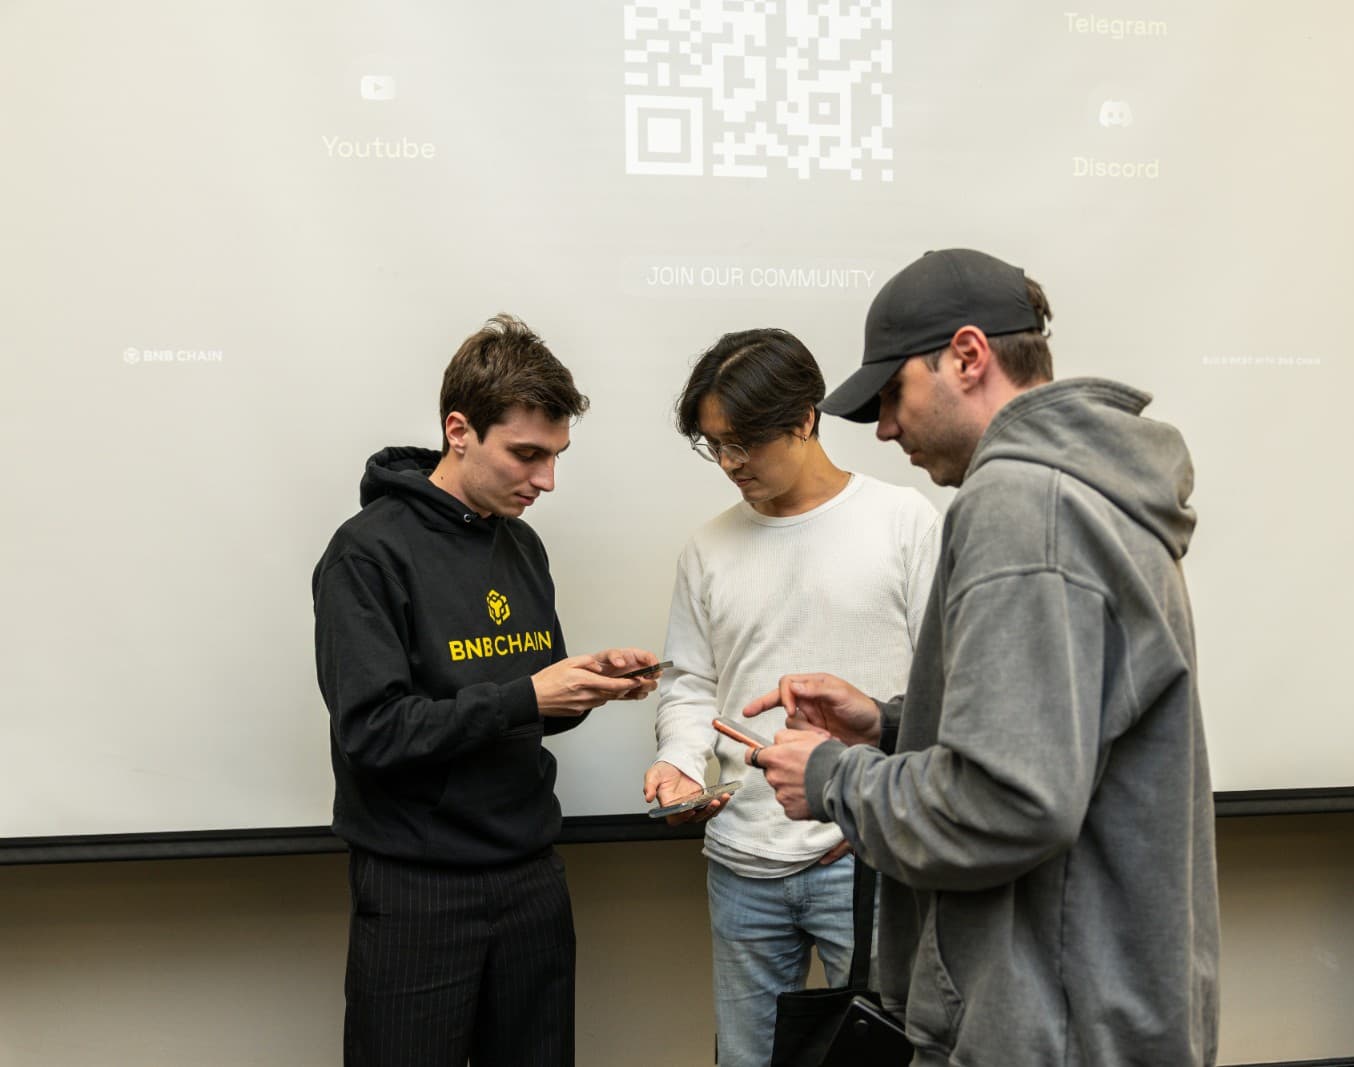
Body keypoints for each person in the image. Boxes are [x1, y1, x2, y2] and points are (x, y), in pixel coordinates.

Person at [743, 250, 1221, 1065]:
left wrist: (830, 776)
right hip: (1099, 1012)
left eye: (893, 394)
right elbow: (1063, 733)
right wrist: (894, 726)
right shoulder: (1086, 487)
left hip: (1048, 1029)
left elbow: (1010, 800)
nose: (886, 428)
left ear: (968, 356)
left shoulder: (1021, 503)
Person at [312, 313, 660, 1067]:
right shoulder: (367, 553)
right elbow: (373, 734)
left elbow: (528, 706)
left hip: (533, 875)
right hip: (418, 887)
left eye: (557, 456)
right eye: (527, 454)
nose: (546, 481)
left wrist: (586, 685)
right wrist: (528, 697)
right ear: (459, 429)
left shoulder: (521, 542)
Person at [641, 328, 939, 1066]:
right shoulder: (708, 547)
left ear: (805, 419)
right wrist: (682, 761)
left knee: (891, 1057)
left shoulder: (904, 523)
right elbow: (690, 683)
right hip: (741, 863)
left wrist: (864, 782)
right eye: (716, 445)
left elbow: (946, 691)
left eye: (744, 442)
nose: (731, 464)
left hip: (869, 859)